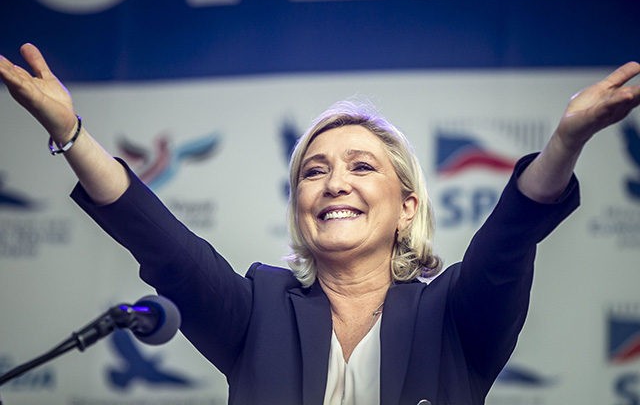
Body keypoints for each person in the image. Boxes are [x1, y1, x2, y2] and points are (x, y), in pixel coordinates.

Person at [1, 43, 639, 405]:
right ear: (299, 206)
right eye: (314, 171)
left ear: (407, 205)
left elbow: (507, 242)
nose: (335, 183)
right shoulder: (260, 310)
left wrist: (566, 139)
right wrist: (71, 134)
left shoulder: (455, 315)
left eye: (362, 166)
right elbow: (164, 245)